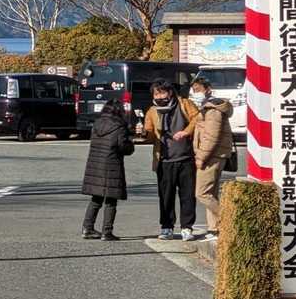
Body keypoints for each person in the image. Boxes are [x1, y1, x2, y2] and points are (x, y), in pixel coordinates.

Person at [143, 80, 199, 240]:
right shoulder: (152, 111)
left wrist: (186, 132)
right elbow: (149, 134)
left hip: (186, 157)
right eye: (156, 94)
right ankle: (167, 227)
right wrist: (144, 133)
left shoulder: (184, 104)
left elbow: (198, 118)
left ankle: (187, 227)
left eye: (162, 92)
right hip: (164, 159)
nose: (160, 96)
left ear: (170, 92)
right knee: (166, 196)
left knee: (188, 195)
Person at [81, 99, 134, 240]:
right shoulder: (119, 126)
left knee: (96, 198)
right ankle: (107, 231)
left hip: (95, 165)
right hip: (112, 164)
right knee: (111, 200)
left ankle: (87, 228)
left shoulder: (97, 124)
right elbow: (124, 147)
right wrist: (131, 142)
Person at [189, 77, 234, 242]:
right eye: (193, 90)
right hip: (215, 155)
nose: (195, 93)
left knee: (202, 193)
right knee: (211, 192)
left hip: (211, 156)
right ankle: (214, 229)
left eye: (198, 90)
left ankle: (230, 220)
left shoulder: (212, 109)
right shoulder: (208, 107)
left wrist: (201, 157)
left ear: (208, 89)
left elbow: (211, 136)